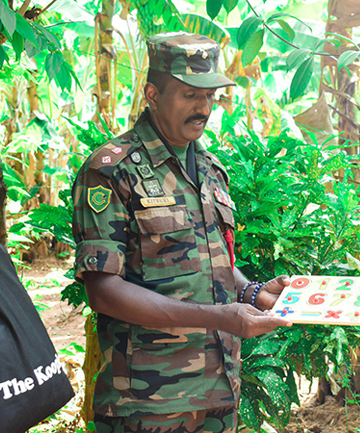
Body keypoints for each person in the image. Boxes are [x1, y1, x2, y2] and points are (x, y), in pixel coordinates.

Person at [72, 32, 292, 433]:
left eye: (210, 96)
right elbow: (103, 290)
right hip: (146, 401)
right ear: (152, 93)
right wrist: (218, 317)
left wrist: (250, 292)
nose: (203, 107)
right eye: (190, 94)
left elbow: (216, 262)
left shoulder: (210, 169)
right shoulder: (110, 171)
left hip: (220, 391)